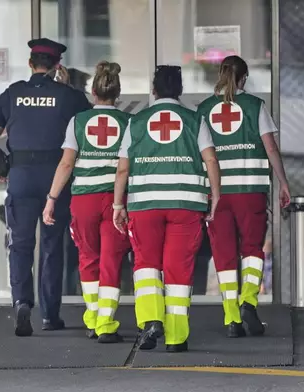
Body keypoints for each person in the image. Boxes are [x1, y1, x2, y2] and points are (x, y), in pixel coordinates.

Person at [0, 38, 92, 337]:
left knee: (19, 244)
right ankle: (50, 314)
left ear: (31, 64)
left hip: (20, 176)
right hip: (55, 178)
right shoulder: (69, 97)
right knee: (51, 246)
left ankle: (21, 301)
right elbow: (88, 131)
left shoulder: (13, 94)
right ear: (57, 66)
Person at [112, 65, 221, 352]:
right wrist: (216, 195)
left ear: (154, 89)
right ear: (180, 89)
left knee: (146, 263)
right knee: (179, 268)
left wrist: (117, 204)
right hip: (186, 206)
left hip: (145, 206)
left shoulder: (136, 122)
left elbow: (123, 169)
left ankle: (150, 319)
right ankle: (176, 338)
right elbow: (210, 160)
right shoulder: (195, 120)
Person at [197, 55, 290, 338]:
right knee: (252, 249)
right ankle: (249, 299)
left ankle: (231, 317)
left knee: (223, 254)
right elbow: (271, 148)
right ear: (244, 78)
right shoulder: (255, 106)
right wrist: (284, 183)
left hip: (218, 195)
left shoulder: (203, 109)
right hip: (251, 192)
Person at [42, 60, 131, 343]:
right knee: (111, 260)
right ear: (117, 93)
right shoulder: (129, 122)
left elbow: (67, 164)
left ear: (93, 93)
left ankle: (93, 317)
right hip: (114, 199)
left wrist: (51, 198)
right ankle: (106, 323)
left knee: (88, 258)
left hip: (83, 200)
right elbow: (125, 168)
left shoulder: (78, 121)